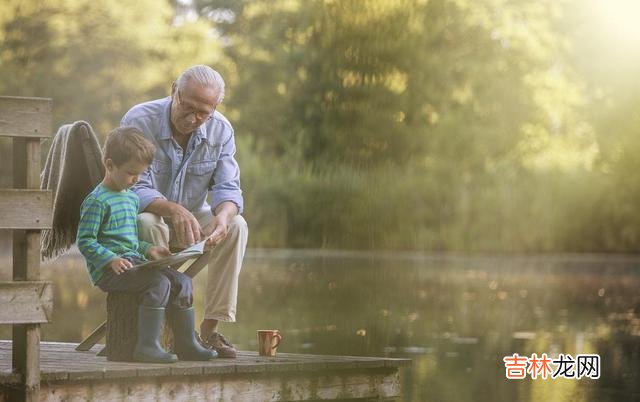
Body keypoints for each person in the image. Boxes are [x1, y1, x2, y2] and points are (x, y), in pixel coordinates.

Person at [121, 65, 248, 358]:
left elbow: (229, 189)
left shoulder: (222, 129)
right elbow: (132, 188)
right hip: (146, 221)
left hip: (193, 221)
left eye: (203, 113)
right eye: (187, 107)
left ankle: (208, 332)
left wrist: (223, 217)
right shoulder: (140, 120)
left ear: (215, 108)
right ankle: (158, 332)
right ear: (174, 90)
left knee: (237, 225)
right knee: (148, 221)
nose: (193, 119)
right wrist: (172, 209)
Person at [77, 126, 217, 363]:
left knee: (182, 281)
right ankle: (147, 346)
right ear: (110, 165)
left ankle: (186, 344)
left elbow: (129, 241)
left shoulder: (131, 198)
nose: (137, 180)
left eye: (141, 174)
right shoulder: (97, 201)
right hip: (109, 271)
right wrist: (110, 259)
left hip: (134, 263)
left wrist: (148, 249)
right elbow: (85, 241)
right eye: (132, 173)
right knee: (158, 283)